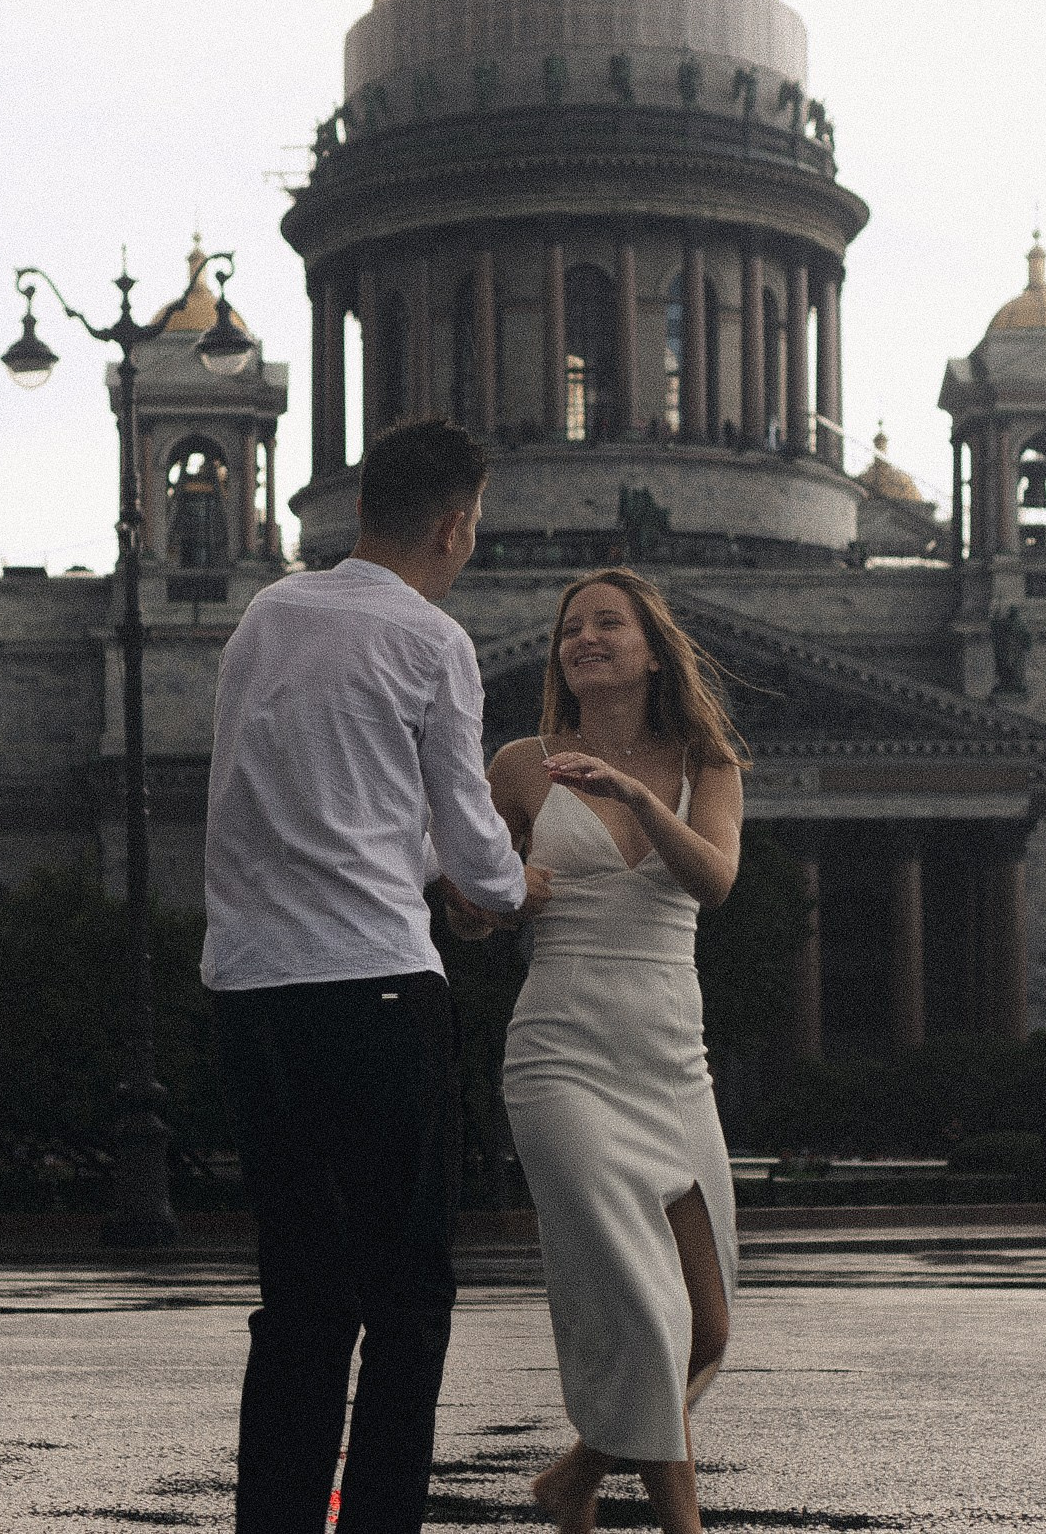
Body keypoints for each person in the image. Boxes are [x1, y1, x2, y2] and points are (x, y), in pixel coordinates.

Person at [200, 420, 551, 1534]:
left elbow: (299, 805)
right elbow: (468, 835)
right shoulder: (430, 639)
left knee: (299, 1293)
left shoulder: (266, 617)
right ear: (454, 523)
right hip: (378, 992)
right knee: (408, 1299)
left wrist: (418, 866)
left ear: (361, 511)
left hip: (254, 991)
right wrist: (514, 887)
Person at [465, 567, 746, 1534]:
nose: (583, 637)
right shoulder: (517, 764)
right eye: (569, 627)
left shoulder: (707, 763)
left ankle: (576, 1475)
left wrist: (633, 791)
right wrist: (493, 900)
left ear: (652, 647)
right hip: (562, 1058)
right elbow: (476, 908)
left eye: (607, 622)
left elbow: (714, 879)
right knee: (647, 1309)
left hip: (672, 1060)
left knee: (709, 1326)